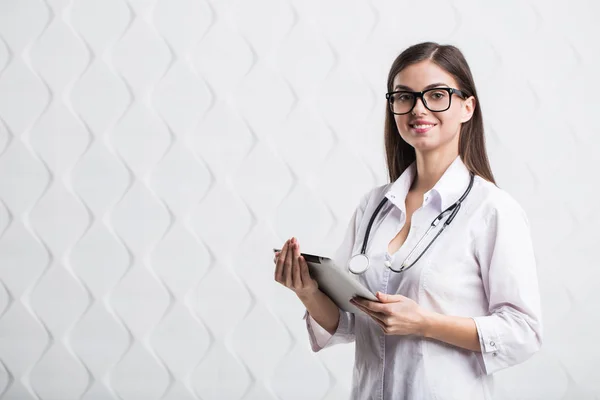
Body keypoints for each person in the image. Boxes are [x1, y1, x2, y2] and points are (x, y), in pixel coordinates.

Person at [273, 41, 542, 400]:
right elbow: (350, 321)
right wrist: (307, 291)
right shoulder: (373, 206)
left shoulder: (492, 210)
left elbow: (523, 331)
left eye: (436, 95)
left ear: (467, 106)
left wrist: (426, 324)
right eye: (404, 97)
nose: (418, 108)